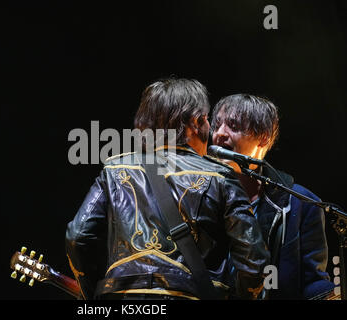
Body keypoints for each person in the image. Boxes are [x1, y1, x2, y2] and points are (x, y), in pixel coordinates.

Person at [65, 78, 269, 300]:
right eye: (207, 119)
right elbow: (253, 259)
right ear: (195, 121)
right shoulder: (220, 175)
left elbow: (77, 237)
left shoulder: (115, 169)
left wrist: (96, 292)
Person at [211, 94, 335, 299]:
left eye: (233, 125)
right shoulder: (198, 194)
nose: (220, 134)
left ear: (264, 137)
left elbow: (312, 282)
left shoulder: (302, 203)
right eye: (216, 125)